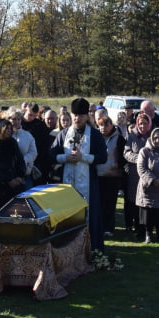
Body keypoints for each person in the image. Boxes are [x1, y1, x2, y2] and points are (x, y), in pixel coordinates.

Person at [52, 98, 107, 251]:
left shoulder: (94, 135)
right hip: (67, 183)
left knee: (89, 214)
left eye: (81, 115)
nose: (77, 118)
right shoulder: (64, 134)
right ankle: (67, 249)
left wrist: (83, 157)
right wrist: (65, 157)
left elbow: (103, 157)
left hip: (89, 184)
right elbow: (51, 154)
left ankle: (90, 249)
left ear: (87, 116)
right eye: (75, 115)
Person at [122, 109, 154, 240]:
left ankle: (148, 229)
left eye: (145, 123)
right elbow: (126, 153)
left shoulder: (153, 136)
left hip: (149, 174)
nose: (142, 126)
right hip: (134, 175)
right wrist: (140, 158)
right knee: (134, 202)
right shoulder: (132, 136)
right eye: (140, 123)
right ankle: (136, 227)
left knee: (147, 202)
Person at [0, 116, 27, 214]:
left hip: (15, 182)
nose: (9, 131)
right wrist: (7, 180)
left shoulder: (12, 143)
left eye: (10, 128)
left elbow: (20, 160)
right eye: (6, 128)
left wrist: (20, 176)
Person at [94, 108, 125, 236]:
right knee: (99, 203)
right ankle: (99, 227)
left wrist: (117, 164)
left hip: (112, 176)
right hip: (98, 175)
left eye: (106, 125)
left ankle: (109, 228)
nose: (103, 128)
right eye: (101, 125)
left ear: (111, 125)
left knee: (110, 204)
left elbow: (124, 156)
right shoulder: (96, 138)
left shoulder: (119, 138)